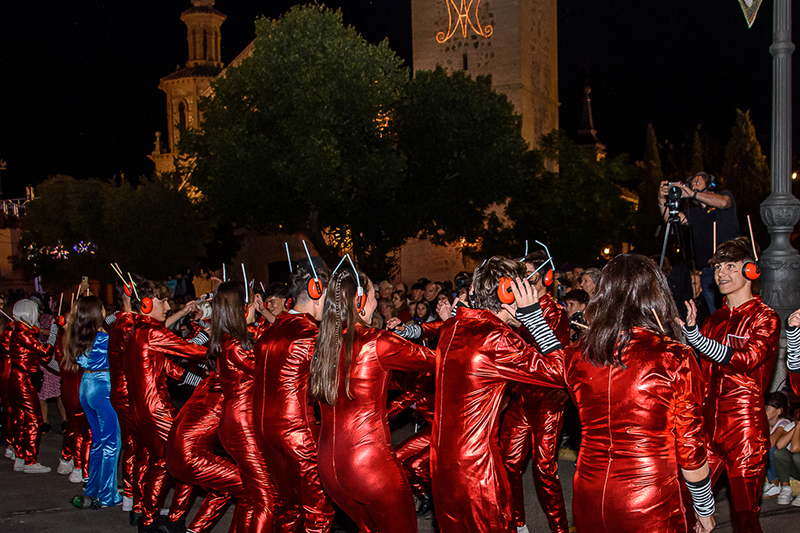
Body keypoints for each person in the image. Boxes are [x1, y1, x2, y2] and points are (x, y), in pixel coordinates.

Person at [517, 254, 715, 533]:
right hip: (649, 498)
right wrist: (704, 509)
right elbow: (691, 447)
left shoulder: (581, 354)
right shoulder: (673, 356)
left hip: (590, 491)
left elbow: (557, 357)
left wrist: (532, 317)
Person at [431, 257, 571, 533]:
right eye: (521, 287)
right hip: (477, 468)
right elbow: (559, 371)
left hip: (442, 466)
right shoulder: (495, 337)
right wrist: (533, 316)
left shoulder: (452, 326)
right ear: (507, 292)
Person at [309, 266, 435, 532]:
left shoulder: (323, 345)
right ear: (360, 300)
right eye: (373, 292)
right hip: (369, 465)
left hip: (330, 469)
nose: (378, 298)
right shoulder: (377, 342)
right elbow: (442, 362)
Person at [680, 237, 779, 532]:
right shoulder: (713, 320)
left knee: (745, 514)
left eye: (731, 265)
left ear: (750, 270)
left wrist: (697, 340)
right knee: (686, 504)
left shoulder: (765, 318)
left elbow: (747, 359)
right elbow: (698, 375)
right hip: (708, 429)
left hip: (744, 430)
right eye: (719, 266)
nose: (721, 273)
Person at [254, 266, 334, 532]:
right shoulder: (309, 334)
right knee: (318, 510)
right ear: (316, 291)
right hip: (296, 431)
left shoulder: (271, 331)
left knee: (288, 507)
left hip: (265, 431)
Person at [124, 280, 207, 533]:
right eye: (164, 302)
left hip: (142, 409)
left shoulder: (136, 332)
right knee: (181, 460)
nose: (169, 306)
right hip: (156, 409)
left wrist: (203, 383)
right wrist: (212, 332)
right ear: (147, 304)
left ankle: (150, 518)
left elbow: (171, 369)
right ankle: (166, 520)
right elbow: (193, 350)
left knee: (159, 462)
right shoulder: (152, 333)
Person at [499, 251, 571, 533]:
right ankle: (518, 525)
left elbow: (550, 355)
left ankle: (559, 529)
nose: (519, 281)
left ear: (545, 277)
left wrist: (522, 320)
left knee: (544, 470)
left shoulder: (555, 311)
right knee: (508, 463)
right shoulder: (512, 310)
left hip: (548, 401)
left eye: (525, 274)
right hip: (521, 397)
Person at [213, 281, 279, 533]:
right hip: (242, 424)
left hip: (238, 421)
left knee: (252, 495)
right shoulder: (235, 346)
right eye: (251, 302)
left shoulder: (231, 340)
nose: (255, 306)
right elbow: (270, 369)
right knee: (267, 498)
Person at [63, 296, 122, 509]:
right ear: (98, 313)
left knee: (98, 441)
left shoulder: (78, 336)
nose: (106, 311)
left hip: (86, 385)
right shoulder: (104, 339)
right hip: (102, 387)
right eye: (103, 309)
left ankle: (93, 489)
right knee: (111, 443)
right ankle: (107, 495)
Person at [659, 172, 741, 314]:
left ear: (710, 184)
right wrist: (661, 198)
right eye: (692, 183)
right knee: (715, 311)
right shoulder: (695, 213)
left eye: (698, 181)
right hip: (709, 269)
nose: (694, 184)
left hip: (731, 264)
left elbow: (723, 202)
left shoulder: (723, 197)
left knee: (734, 306)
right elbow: (669, 218)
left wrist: (693, 194)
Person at [8, 299, 58, 473]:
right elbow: (45, 353)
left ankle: (21, 456)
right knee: (35, 419)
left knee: (21, 417)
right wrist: (53, 334)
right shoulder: (23, 333)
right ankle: (30, 460)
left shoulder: (20, 331)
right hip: (24, 379)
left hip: (17, 377)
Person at [760, 392, 796, 501]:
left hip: (787, 463)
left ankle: (774, 483)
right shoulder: (766, 424)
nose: (764, 411)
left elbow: (771, 443)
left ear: (778, 411)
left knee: (771, 449)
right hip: (779, 463)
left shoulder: (783, 423)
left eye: (767, 408)